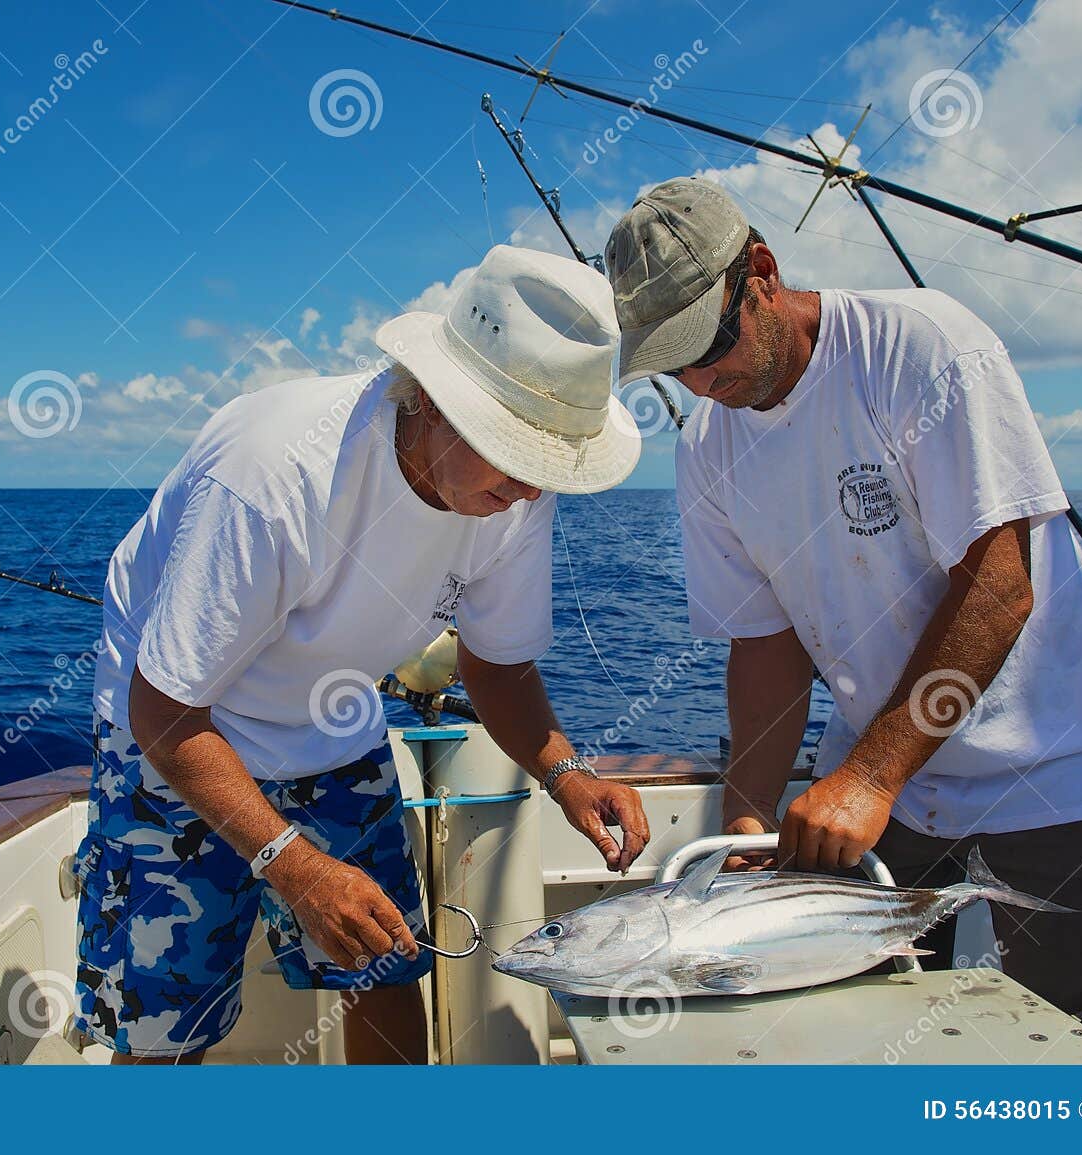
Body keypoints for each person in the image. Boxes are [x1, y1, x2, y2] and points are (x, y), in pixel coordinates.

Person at [604, 177, 1082, 1014]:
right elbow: (765, 645)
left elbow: (999, 587)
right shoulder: (706, 455)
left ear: (761, 270)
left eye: (709, 341)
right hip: (896, 787)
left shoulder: (922, 345)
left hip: (1065, 778)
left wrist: (868, 779)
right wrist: (750, 818)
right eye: (671, 361)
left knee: (1074, 1045)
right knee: (841, 1024)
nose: (700, 380)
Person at [73, 245, 650, 1063]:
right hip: (176, 727)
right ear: (432, 400)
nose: (530, 487)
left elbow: (496, 665)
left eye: (551, 461)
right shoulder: (276, 473)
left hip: (330, 719)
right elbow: (163, 710)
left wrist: (567, 772)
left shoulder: (517, 495)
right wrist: (295, 869)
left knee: (386, 964)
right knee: (165, 1024)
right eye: (517, 450)